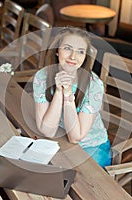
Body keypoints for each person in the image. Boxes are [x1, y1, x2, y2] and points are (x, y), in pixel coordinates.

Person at [33, 27, 111, 168]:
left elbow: (75, 137)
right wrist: (58, 91)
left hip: (91, 147)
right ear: (57, 50)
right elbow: (47, 130)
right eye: (67, 48)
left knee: (67, 179)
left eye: (80, 51)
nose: (73, 57)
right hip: (60, 140)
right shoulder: (42, 77)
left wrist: (68, 95)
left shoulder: (93, 85)